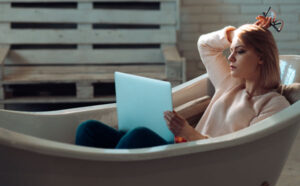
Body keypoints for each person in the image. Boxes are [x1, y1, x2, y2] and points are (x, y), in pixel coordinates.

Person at [76, 15, 290, 149]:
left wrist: (188, 133)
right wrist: (237, 35)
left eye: (240, 52)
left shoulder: (274, 104)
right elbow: (205, 45)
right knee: (88, 129)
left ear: (262, 57)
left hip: (198, 165)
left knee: (138, 137)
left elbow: (238, 151)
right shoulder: (230, 84)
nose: (230, 58)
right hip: (182, 150)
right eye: (231, 51)